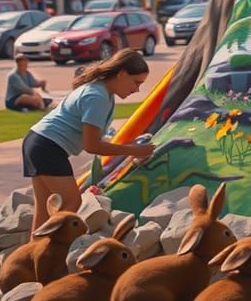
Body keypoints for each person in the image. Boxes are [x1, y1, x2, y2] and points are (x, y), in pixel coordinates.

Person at [21, 48, 155, 231]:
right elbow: (91, 145)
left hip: (37, 142)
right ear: (122, 74)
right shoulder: (97, 96)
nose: (137, 89)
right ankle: (50, 251)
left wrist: (128, 146)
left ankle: (32, 256)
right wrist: (132, 150)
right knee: (72, 202)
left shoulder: (102, 92)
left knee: (44, 210)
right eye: (136, 82)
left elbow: (96, 137)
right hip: (47, 147)